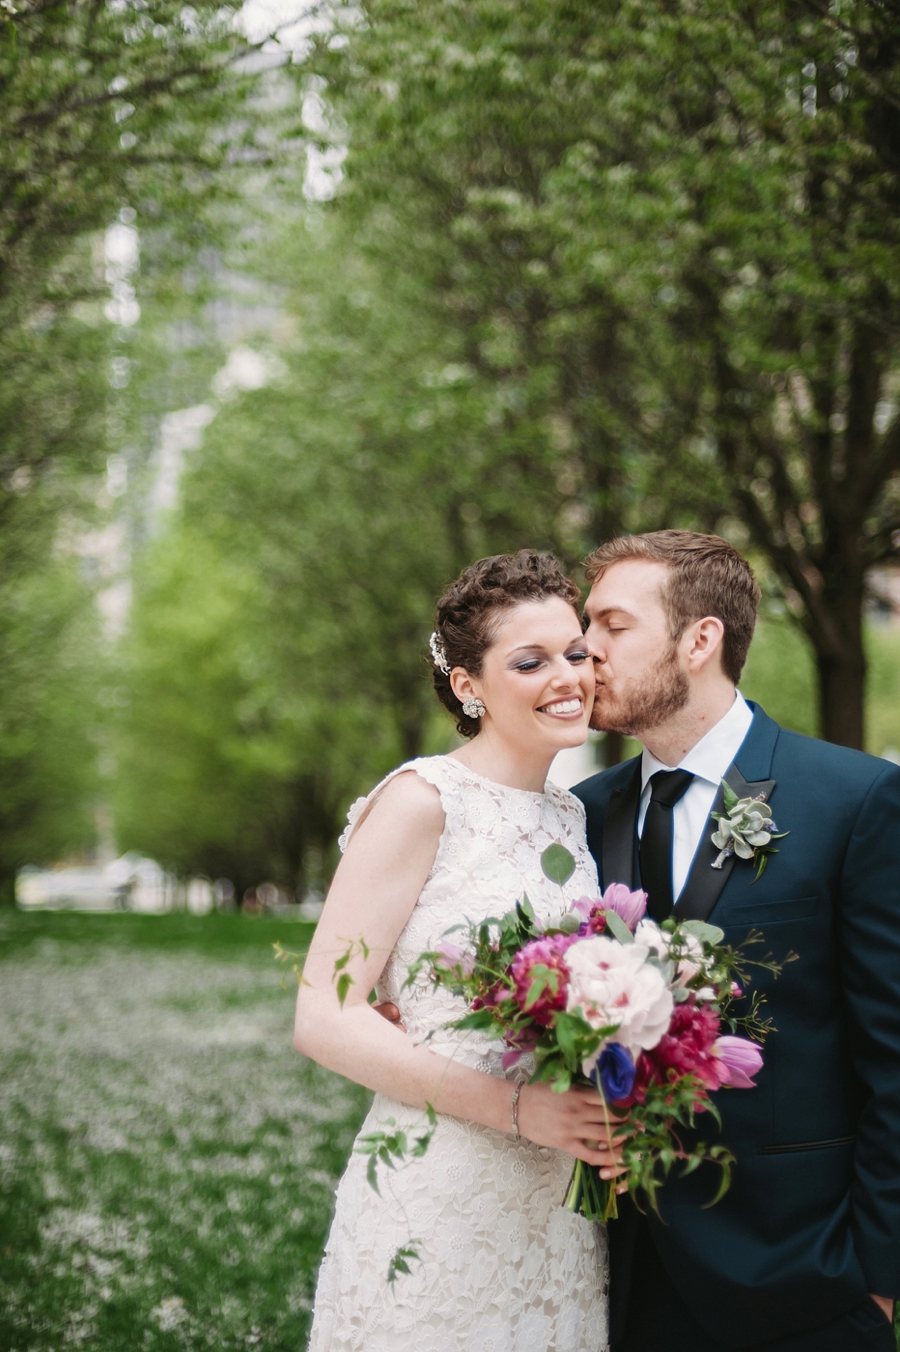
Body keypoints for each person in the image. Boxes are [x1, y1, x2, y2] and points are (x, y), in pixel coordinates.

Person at [572, 529, 900, 1352]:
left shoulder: (854, 801)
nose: (586, 649)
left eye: (612, 625)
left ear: (700, 640)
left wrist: (879, 1277)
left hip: (804, 1280)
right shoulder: (577, 815)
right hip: (619, 1276)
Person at [295, 550, 621, 1352]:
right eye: (531, 661)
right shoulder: (419, 802)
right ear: (469, 686)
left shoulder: (575, 819)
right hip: (440, 1188)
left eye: (576, 652)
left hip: (557, 1207)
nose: (568, 676)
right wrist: (522, 1110)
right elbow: (324, 1015)